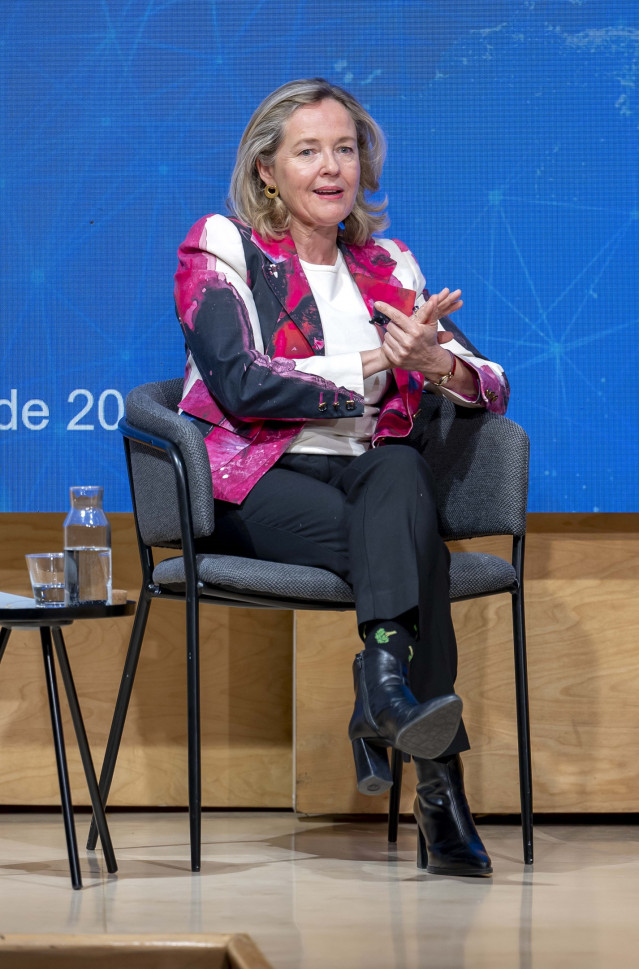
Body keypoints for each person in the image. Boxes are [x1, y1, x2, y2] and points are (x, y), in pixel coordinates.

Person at [174, 78, 509, 877]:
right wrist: (373, 362)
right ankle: (435, 785)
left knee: (398, 471)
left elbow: (490, 381)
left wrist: (435, 364)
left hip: (365, 474)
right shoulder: (223, 245)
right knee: (413, 549)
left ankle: (384, 691)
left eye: (346, 148)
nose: (332, 167)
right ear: (266, 171)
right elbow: (240, 381)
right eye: (308, 150)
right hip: (255, 476)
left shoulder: (387, 264)